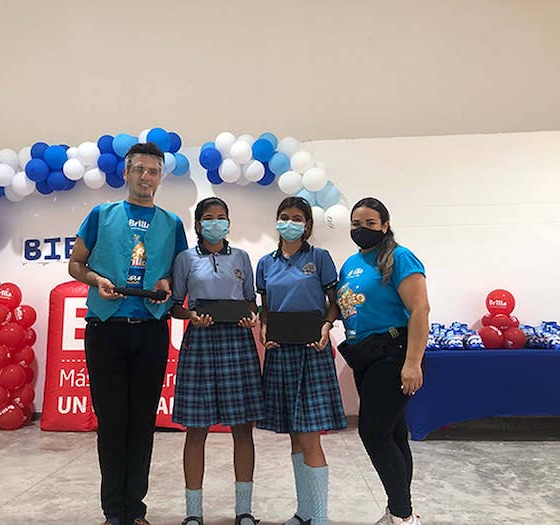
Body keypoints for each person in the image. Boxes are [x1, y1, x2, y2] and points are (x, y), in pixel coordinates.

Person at [68, 142, 188, 525]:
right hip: (106, 329)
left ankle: (135, 510)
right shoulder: (102, 215)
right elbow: (75, 264)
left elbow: (177, 274)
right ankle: (112, 511)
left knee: (142, 425)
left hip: (152, 330)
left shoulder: (172, 224)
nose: (145, 177)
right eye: (138, 169)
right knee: (112, 422)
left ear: (160, 177)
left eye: (153, 171)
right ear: (126, 172)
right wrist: (97, 279)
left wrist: (168, 281)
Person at [335, 197, 429, 525]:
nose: (362, 230)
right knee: (393, 433)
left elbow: (420, 310)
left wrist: (413, 362)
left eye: (370, 224)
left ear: (385, 226)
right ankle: (400, 510)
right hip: (365, 356)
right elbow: (339, 304)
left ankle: (402, 517)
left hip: (394, 353)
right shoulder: (350, 263)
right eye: (356, 224)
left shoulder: (400, 257)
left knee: (373, 433)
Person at [170, 197, 263, 525]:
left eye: (221, 217)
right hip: (200, 343)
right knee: (196, 430)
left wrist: (252, 317)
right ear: (197, 225)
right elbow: (174, 305)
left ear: (228, 222)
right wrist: (190, 316)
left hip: (238, 342)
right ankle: (193, 513)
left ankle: (244, 511)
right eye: (208, 218)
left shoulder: (242, 257)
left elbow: (251, 301)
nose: (215, 223)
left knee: (242, 429)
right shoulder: (184, 259)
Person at [256, 196, 347, 525]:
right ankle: (304, 511)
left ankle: (319, 518)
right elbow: (266, 308)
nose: (290, 222)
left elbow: (334, 303)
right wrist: (265, 328)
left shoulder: (320, 259)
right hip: (281, 352)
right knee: (295, 435)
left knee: (309, 434)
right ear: (277, 221)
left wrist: (326, 326)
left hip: (312, 350)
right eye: (285, 216)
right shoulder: (265, 263)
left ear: (308, 225)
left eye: (298, 218)